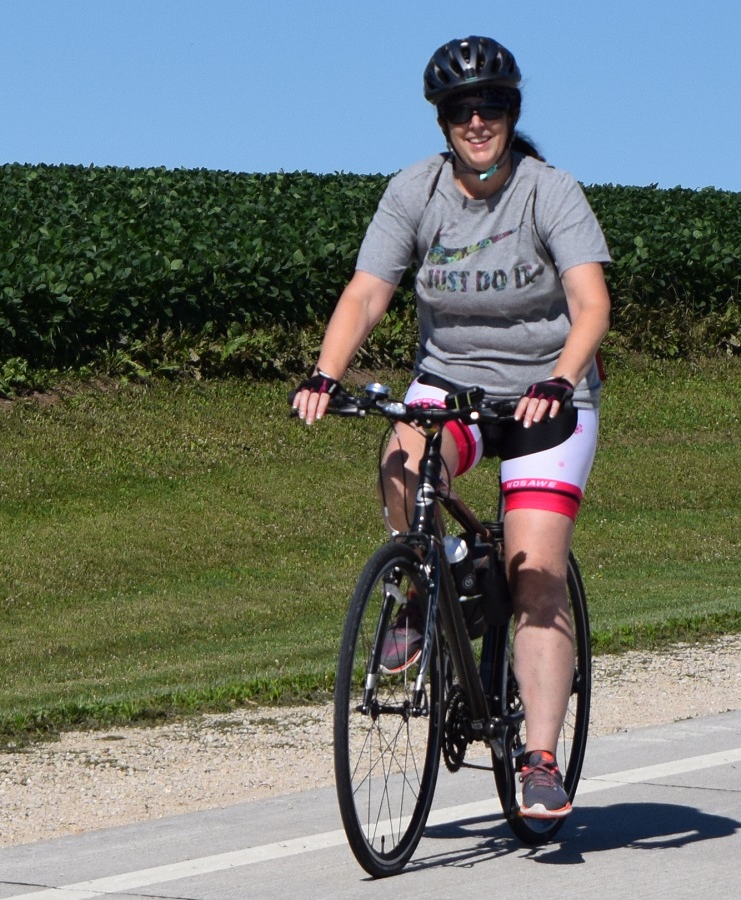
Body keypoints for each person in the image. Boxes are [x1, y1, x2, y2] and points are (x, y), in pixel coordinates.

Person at [292, 35, 611, 820]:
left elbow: (591, 303)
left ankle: (538, 757)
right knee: (402, 461)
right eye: (463, 110)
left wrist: (559, 378)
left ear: (512, 113)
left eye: (492, 107)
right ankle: (435, 578)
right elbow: (368, 292)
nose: (478, 121)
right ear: (442, 120)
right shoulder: (415, 191)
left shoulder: (550, 190)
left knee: (535, 575)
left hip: (546, 397)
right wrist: (325, 373)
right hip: (454, 386)